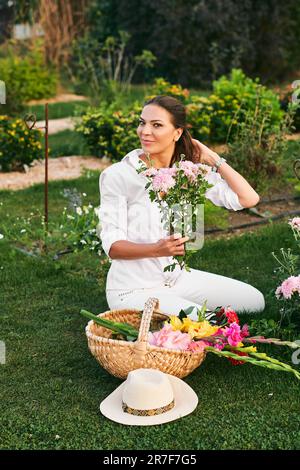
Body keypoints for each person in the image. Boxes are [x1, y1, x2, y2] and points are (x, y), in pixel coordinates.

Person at [98, 95, 265, 320]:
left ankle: (178, 308)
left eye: (156, 125)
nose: (144, 131)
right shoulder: (118, 175)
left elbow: (248, 199)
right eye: (142, 122)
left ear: (177, 133)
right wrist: (157, 249)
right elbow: (113, 247)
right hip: (132, 289)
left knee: (254, 302)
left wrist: (214, 159)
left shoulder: (188, 172)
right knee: (206, 322)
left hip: (177, 279)